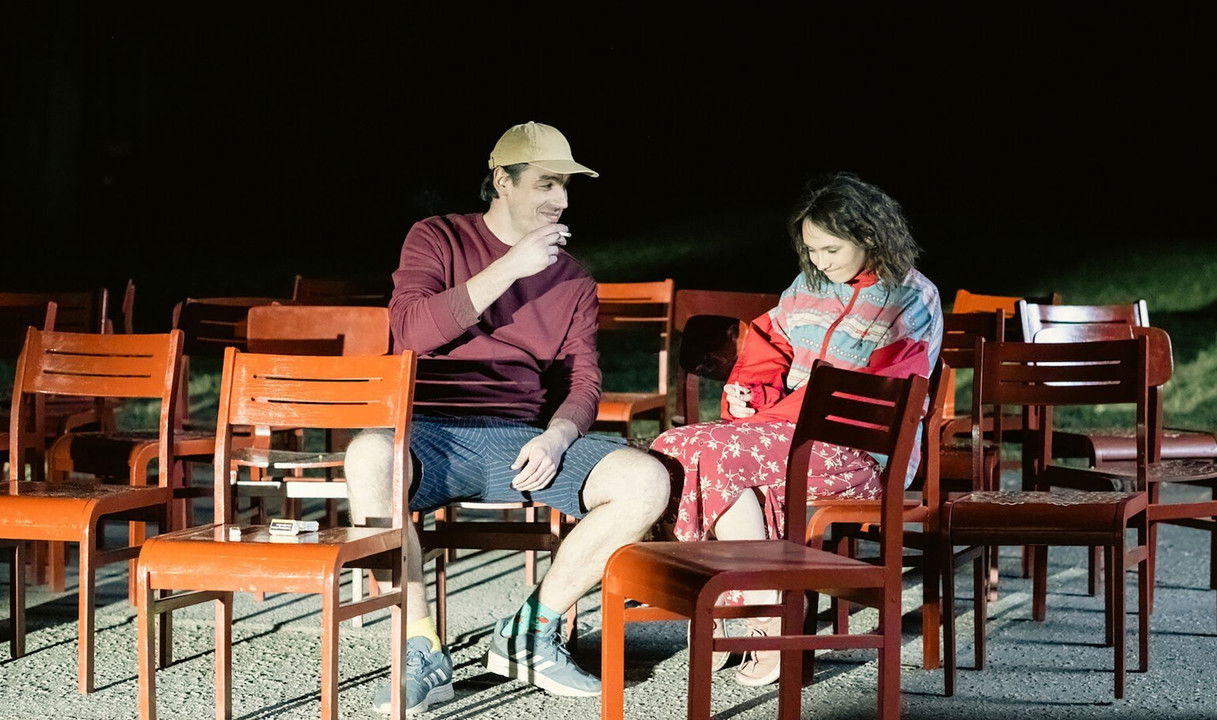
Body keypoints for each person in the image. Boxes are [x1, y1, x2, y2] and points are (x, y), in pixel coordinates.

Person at [344, 121, 671, 713]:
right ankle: (420, 647)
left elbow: (583, 380)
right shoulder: (437, 237)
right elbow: (411, 330)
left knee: (645, 479)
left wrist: (558, 436)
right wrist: (511, 267)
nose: (561, 200)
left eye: (566, 186)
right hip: (429, 435)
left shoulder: (573, 278)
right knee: (367, 456)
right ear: (502, 180)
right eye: (547, 183)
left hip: (519, 439)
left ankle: (529, 633)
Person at [651, 171, 942, 686]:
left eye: (831, 249)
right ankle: (754, 605)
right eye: (811, 250)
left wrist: (768, 419)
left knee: (709, 453)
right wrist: (751, 396)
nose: (820, 262)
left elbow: (872, 393)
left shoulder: (911, 297)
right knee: (674, 447)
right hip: (784, 435)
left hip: (862, 450)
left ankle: (758, 612)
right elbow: (769, 346)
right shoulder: (806, 286)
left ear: (870, 236)